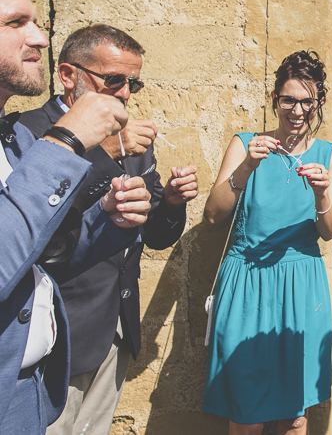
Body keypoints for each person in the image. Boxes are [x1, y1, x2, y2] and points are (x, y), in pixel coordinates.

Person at [18, 25, 199, 435]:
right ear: (69, 75)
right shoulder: (27, 132)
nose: (125, 94)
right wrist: (103, 152)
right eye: (114, 79)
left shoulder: (130, 134)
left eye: (133, 82)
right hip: (59, 332)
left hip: (116, 328)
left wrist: (170, 202)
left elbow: (153, 236)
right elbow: (34, 231)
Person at [0, 0, 153, 434]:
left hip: (30, 393)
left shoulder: (11, 140)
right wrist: (67, 143)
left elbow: (45, 254)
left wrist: (111, 218)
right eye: (14, 23)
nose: (41, 39)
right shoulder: (41, 134)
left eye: (35, 23)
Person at [202, 51, 332, 435]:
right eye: (288, 100)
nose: (297, 110)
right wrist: (247, 166)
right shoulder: (245, 143)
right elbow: (213, 216)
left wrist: (320, 195)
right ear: (275, 99)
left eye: (306, 101)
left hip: (300, 287)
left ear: (319, 103)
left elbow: (329, 230)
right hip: (247, 284)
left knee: (294, 418)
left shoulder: (331, 155)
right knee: (246, 412)